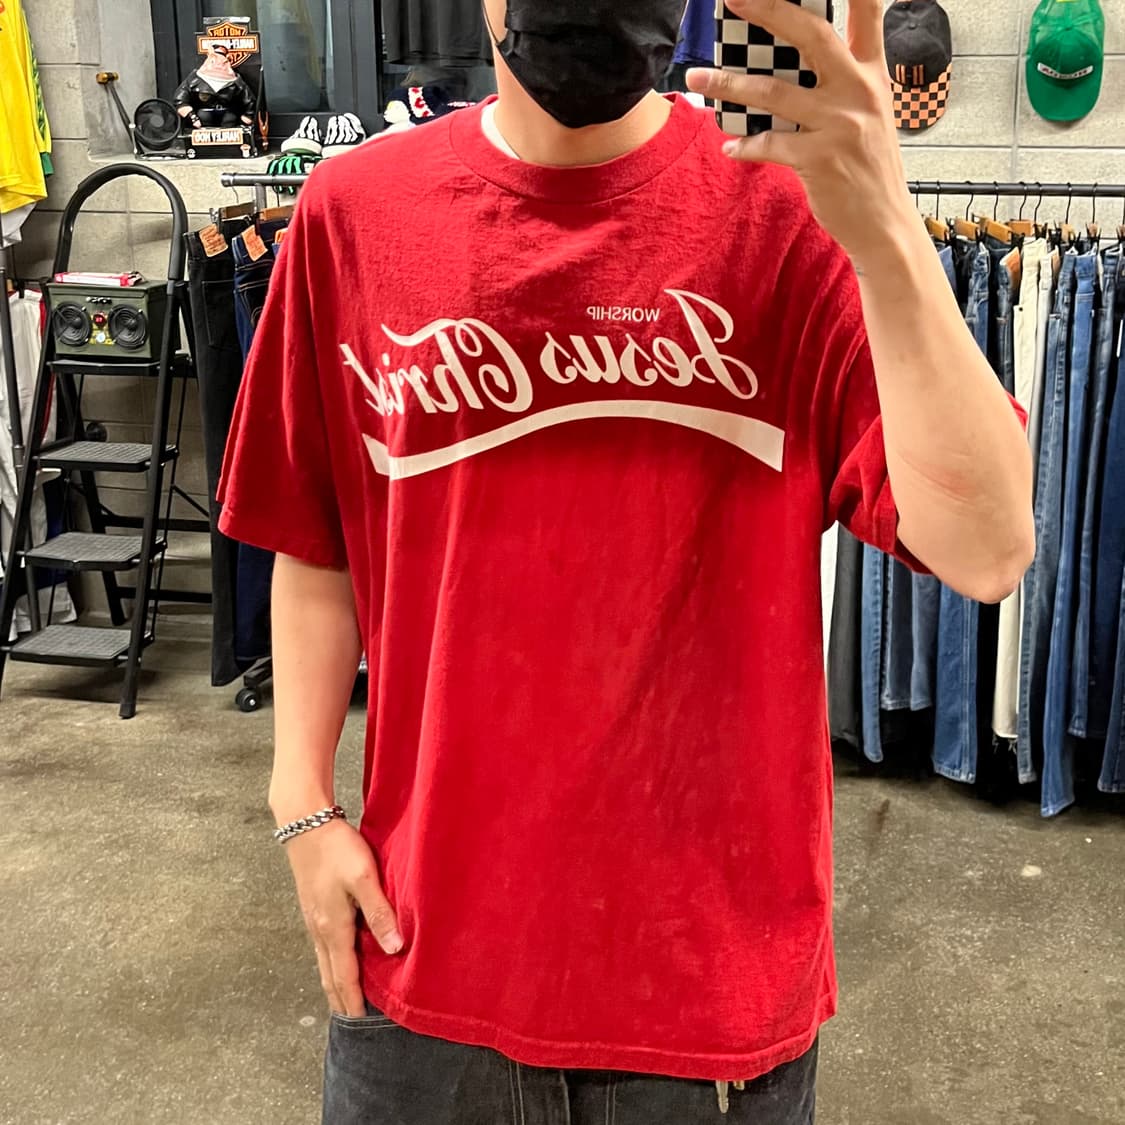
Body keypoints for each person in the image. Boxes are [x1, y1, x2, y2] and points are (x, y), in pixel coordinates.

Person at [218, 0, 1034, 1120]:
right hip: (419, 962)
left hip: (708, 995)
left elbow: (989, 549)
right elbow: (317, 536)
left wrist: (886, 224)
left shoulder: (792, 209)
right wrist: (302, 806)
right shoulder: (353, 211)